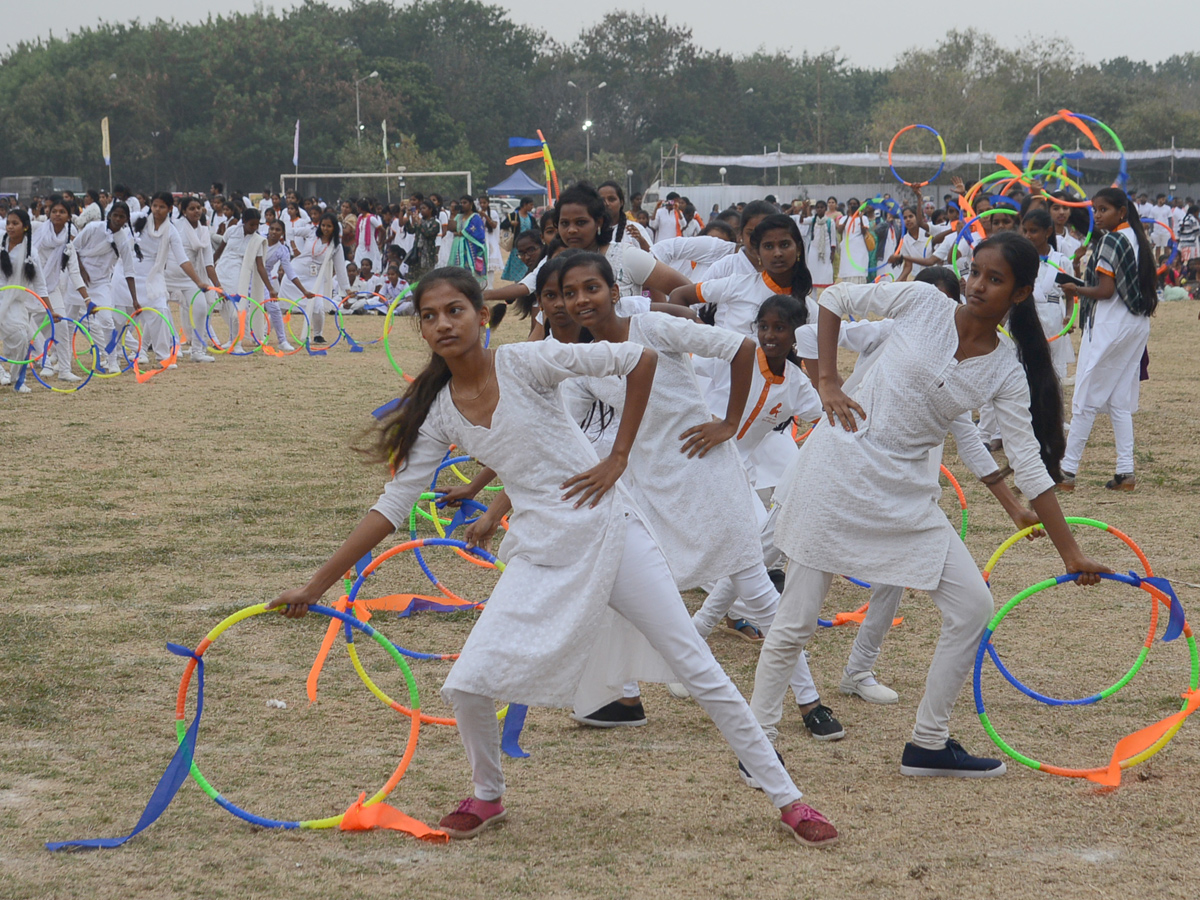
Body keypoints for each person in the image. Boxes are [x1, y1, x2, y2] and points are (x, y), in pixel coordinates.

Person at [266, 267, 839, 848]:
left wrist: (618, 458)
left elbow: (638, 361)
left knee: (698, 665)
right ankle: (487, 797)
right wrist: (316, 587)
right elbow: (392, 505)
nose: (444, 323)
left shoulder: (525, 361)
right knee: (468, 682)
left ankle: (790, 801)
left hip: (613, 533)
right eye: (431, 316)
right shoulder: (438, 410)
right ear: (421, 329)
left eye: (455, 310)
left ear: (479, 315)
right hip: (541, 549)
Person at [749, 233, 1110, 778]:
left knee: (972, 607)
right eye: (974, 272)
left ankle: (929, 744)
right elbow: (833, 299)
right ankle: (758, 744)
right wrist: (827, 379)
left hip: (905, 497)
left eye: (994, 279)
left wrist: (1071, 553)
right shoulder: (924, 303)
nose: (976, 286)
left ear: (1019, 294)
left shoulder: (1007, 368)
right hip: (840, 470)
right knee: (796, 621)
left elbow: (1030, 463)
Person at [1059, 187, 1158, 492]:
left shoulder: (1112, 240)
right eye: (1096, 210)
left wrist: (1074, 290)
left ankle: (1066, 472)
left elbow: (1105, 291)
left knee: (1086, 397)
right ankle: (1125, 472)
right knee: (1118, 400)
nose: (1098, 215)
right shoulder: (1139, 239)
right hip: (1136, 324)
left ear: (1121, 212)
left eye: (1104, 210)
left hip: (1110, 325)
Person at [668, 214, 815, 339]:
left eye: (784, 245)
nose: (777, 253)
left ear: (798, 249)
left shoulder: (810, 309)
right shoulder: (736, 285)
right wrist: (701, 344)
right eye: (768, 246)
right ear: (758, 253)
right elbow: (679, 296)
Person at [282, 211, 352, 345]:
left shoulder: (336, 246)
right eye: (323, 225)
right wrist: (294, 248)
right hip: (296, 271)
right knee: (282, 305)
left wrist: (347, 290)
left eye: (329, 226)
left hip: (316, 278)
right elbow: (290, 231)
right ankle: (266, 332)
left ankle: (318, 335)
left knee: (318, 306)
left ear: (334, 228)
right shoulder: (310, 232)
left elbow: (340, 269)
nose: (325, 229)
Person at [1020, 208, 1074, 380]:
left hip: (1053, 318)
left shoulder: (1061, 261)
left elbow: (1070, 294)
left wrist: (1069, 316)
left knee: (1052, 369)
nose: (1028, 235)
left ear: (1048, 232)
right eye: (1025, 231)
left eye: (1033, 231)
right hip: (1026, 314)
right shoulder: (1020, 260)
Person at [168, 197, 222, 363]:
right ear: (183, 211)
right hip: (167, 275)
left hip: (190, 277)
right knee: (159, 311)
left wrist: (219, 287)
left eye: (198, 208)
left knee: (200, 308)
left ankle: (197, 351)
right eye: (192, 208)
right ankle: (170, 347)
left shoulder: (204, 232)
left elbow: (208, 263)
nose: (196, 211)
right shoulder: (174, 227)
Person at [1, 208, 49, 392]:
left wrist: (50, 310)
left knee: (21, 338)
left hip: (15, 303)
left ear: (26, 227)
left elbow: (40, 285)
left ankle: (17, 379)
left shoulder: (32, 253)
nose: (10, 227)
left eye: (15, 223)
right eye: (8, 223)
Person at [447, 195, 489, 287]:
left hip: (470, 248)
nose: (462, 205)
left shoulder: (475, 217)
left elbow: (477, 232)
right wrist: (453, 213)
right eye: (461, 203)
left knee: (470, 271)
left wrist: (461, 233)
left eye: (465, 203)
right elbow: (451, 228)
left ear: (471, 204)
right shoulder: (458, 216)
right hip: (458, 247)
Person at [501, 197, 537, 282]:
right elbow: (502, 225)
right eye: (530, 205)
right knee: (517, 269)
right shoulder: (514, 216)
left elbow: (536, 229)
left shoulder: (531, 218)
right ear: (524, 205)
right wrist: (511, 223)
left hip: (529, 247)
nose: (532, 207)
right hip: (517, 247)